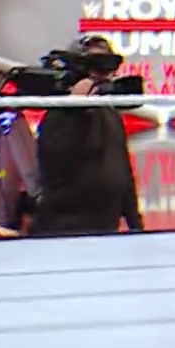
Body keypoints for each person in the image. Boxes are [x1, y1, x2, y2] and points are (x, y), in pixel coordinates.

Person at [30, 37, 144, 238]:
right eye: (94, 66)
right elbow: (53, 160)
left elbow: (124, 173)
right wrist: (74, 108)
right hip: (65, 228)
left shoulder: (110, 113)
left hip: (107, 226)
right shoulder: (59, 114)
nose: (101, 75)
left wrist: (136, 226)